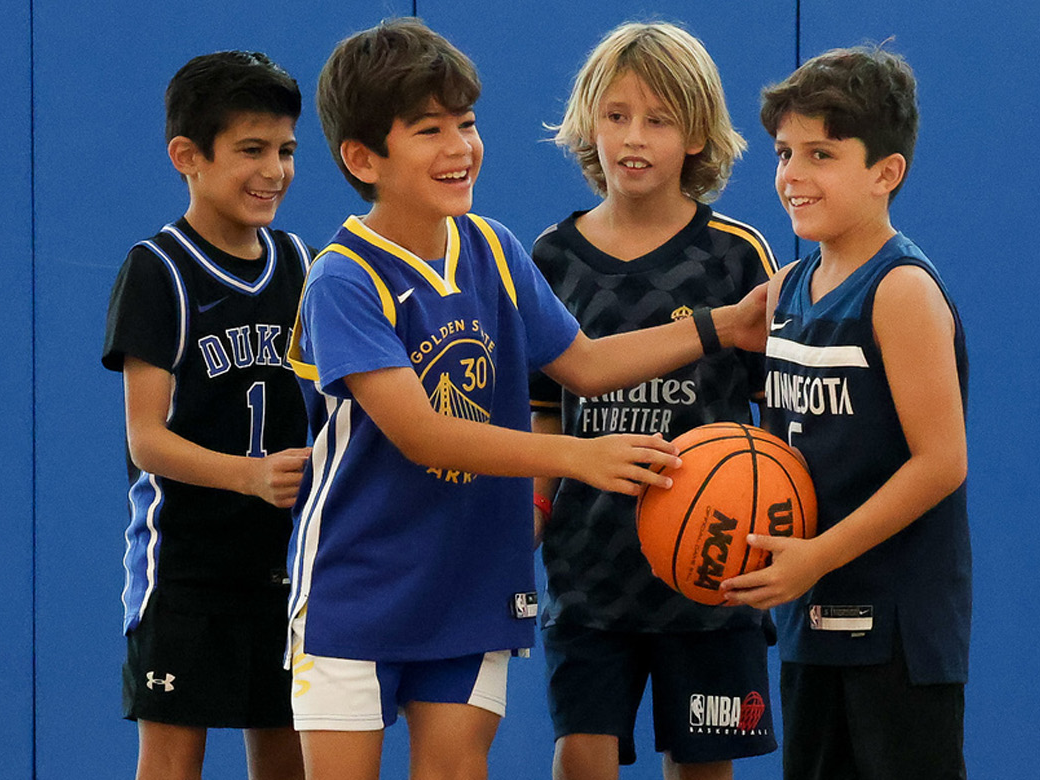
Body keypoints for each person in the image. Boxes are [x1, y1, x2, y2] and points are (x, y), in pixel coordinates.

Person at [283, 18, 766, 780]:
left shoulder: (495, 249)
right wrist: (578, 457)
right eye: (429, 131)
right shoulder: (343, 278)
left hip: (472, 581)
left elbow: (586, 364)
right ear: (362, 157)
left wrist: (723, 325)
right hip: (358, 585)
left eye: (466, 124)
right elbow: (423, 434)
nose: (459, 147)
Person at [529, 21, 779, 780]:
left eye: (658, 119)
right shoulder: (551, 258)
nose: (633, 138)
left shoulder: (736, 255)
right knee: (580, 756)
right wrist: (533, 515)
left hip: (712, 568)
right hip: (588, 571)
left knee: (702, 766)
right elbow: (544, 412)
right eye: (616, 115)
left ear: (697, 135)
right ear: (588, 123)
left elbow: (775, 417)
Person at [719, 45, 971, 780]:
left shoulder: (900, 289)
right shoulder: (787, 288)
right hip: (809, 617)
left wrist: (818, 555)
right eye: (784, 153)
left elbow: (941, 462)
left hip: (896, 630)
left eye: (821, 154)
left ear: (885, 172)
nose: (792, 175)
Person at [101, 50, 312, 780]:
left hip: (285, 566)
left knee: (287, 757)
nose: (274, 170)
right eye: (251, 150)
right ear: (187, 156)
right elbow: (146, 440)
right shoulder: (158, 269)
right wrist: (248, 476)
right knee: (171, 761)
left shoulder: (302, 264)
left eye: (286, 150)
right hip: (185, 572)